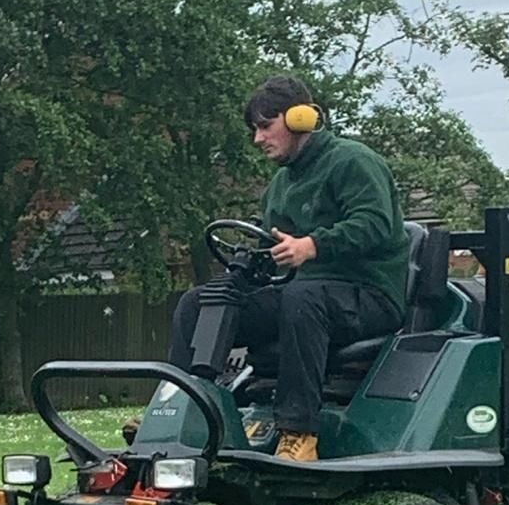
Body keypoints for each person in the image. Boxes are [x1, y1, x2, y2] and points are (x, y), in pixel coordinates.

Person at [163, 75, 409, 461]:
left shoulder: (353, 161)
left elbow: (376, 224)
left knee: (302, 296)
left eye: (265, 126)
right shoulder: (280, 185)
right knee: (201, 301)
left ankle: (298, 432)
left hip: (368, 294)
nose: (258, 139)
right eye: (254, 129)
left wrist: (312, 245)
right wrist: (244, 274)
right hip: (306, 295)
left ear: (299, 119)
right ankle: (182, 408)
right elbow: (270, 252)